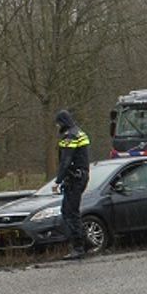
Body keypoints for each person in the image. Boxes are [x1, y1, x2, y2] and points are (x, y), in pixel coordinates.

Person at [54, 110, 90, 260]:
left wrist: (58, 181)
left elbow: (65, 161)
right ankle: (85, 243)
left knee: (69, 212)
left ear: (62, 122)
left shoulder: (70, 136)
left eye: (58, 124)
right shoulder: (80, 133)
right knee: (71, 211)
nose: (57, 127)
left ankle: (79, 247)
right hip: (80, 176)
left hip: (74, 178)